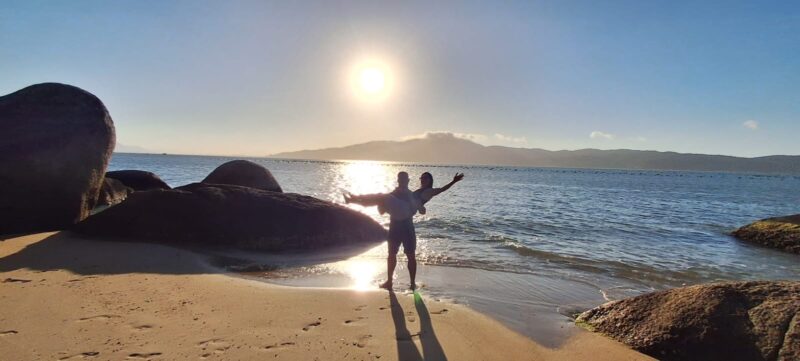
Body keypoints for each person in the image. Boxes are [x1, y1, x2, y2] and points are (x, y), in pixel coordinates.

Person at [345, 171, 465, 290]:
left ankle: (412, 284)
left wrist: (453, 181)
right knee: (392, 254)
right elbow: (416, 208)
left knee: (409, 255)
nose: (423, 180)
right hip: (397, 223)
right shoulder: (414, 192)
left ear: (430, 181)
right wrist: (418, 207)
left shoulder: (429, 191)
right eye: (421, 178)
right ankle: (392, 282)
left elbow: (441, 190)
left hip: (406, 224)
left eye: (426, 178)